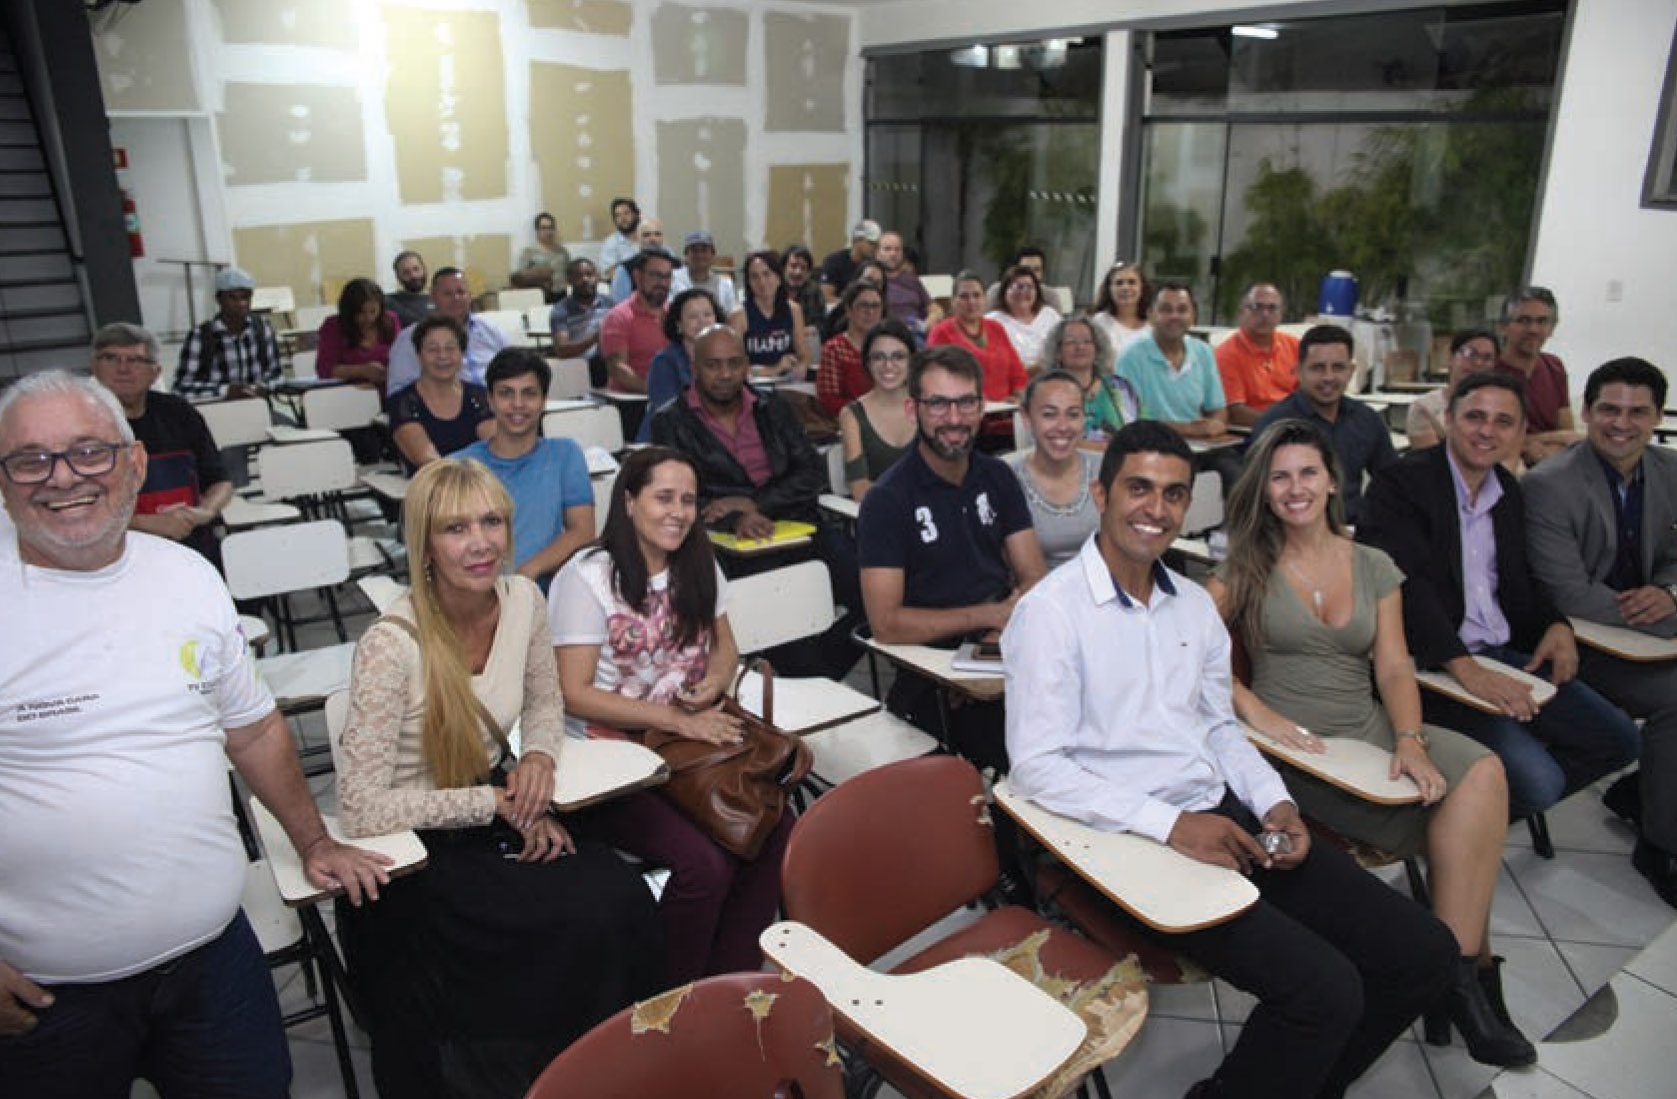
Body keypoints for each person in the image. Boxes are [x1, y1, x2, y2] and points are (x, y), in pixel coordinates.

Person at [1002, 420, 1456, 1099]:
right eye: (1138, 488)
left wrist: (1276, 800)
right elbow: (1037, 766)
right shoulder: (1051, 613)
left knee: (1425, 953)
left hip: (1226, 813)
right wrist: (1170, 825)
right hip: (1122, 839)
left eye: (1174, 494)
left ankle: (1295, 1085)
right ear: (1100, 493)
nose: (1155, 509)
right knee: (1323, 991)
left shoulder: (1189, 606)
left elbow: (1218, 726)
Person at [0, 371, 390, 1099]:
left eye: (89, 451)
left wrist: (314, 840)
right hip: (46, 999)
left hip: (214, 964)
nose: (63, 478)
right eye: (30, 459)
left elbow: (253, 729)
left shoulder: (187, 576)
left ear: (136, 461)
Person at [336, 457, 663, 1098]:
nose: (481, 542)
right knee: (564, 923)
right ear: (424, 544)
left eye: (492, 521)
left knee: (619, 898)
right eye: (455, 528)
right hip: (414, 848)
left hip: (494, 809)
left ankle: (608, 1072)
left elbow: (545, 703)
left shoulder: (523, 600)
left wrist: (538, 762)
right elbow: (360, 807)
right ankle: (533, 1077)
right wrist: (497, 803)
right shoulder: (390, 643)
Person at [1210, 419, 1533, 1067]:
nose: (1294, 487)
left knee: (1483, 773)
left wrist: (1410, 740)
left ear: (1333, 480)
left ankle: (1457, 975)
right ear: (1264, 489)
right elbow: (1187, 648)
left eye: (1307, 472)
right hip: (1296, 748)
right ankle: (1460, 986)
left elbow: (1391, 668)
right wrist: (1254, 707)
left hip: (1369, 726)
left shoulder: (1373, 563)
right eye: (1279, 475)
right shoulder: (1246, 563)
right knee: (1452, 817)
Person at [1358, 372, 1640, 826]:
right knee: (1539, 780)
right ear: (1449, 418)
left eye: (1503, 422)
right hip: (1430, 667)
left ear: (1520, 432)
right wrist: (1463, 666)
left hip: (1504, 656)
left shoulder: (1507, 492)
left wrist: (1556, 625)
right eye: (1475, 417)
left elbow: (1522, 581)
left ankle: (1469, 825)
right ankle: (1457, 835)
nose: (1487, 431)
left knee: (1620, 741)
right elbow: (1402, 587)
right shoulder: (1400, 483)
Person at [552, 447, 791, 983]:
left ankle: (728, 978)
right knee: (702, 864)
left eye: (688, 499)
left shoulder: (696, 559)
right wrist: (680, 721)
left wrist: (715, 680)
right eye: (663, 497)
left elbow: (726, 646)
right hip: (608, 760)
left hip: (686, 750)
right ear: (629, 501)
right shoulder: (588, 576)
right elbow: (573, 692)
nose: (678, 512)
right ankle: (673, 995)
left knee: (774, 826)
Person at [1525, 357, 1677, 909]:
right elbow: (1570, 596)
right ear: (1586, 411)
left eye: (1639, 411)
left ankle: (1647, 791)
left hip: (1648, 637)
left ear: (1658, 415)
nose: (1622, 423)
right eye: (1609, 409)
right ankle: (1662, 845)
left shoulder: (1670, 471)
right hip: (1579, 645)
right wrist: (1664, 614)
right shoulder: (1550, 485)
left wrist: (1671, 593)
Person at [858, 344, 1047, 773]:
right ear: (913, 409)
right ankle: (1010, 837)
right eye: (938, 404)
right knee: (1026, 757)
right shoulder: (887, 500)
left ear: (982, 407)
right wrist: (991, 617)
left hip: (999, 651)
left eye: (965, 402)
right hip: (927, 671)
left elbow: (1034, 574)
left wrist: (999, 634)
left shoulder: (997, 476)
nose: (955, 418)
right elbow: (886, 624)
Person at [650, 326, 859, 676]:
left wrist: (754, 504)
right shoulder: (670, 421)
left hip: (796, 523)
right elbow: (676, 498)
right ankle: (797, 680)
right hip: (728, 545)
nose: (726, 374)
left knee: (869, 591)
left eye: (734, 363)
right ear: (694, 366)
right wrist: (734, 519)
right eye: (713, 365)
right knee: (777, 610)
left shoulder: (772, 406)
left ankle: (814, 677)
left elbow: (810, 472)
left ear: (747, 365)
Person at [89, 322, 231, 566]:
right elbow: (84, 508)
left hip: (191, 543)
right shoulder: (81, 425)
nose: (123, 369)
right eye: (111, 358)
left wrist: (205, 512)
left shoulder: (179, 413)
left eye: (135, 360)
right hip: (120, 554)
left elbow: (220, 481)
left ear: (155, 373)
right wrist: (150, 523)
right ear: (94, 368)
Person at [456, 349, 594, 587]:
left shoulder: (565, 454)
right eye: (506, 393)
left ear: (544, 400)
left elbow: (582, 531)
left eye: (529, 394)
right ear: (490, 399)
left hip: (544, 593)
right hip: (476, 591)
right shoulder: (459, 466)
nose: (517, 404)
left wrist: (529, 571)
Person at [1251, 325, 1397, 526]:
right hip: (1291, 533)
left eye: (1338, 367)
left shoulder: (1367, 419)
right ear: (1298, 371)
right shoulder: (1275, 424)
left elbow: (1392, 483)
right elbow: (1256, 497)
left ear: (1351, 371)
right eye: (1318, 368)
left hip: (1355, 533)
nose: (1328, 377)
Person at [1006, 370, 1102, 570]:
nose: (1062, 426)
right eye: (1049, 414)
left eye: (1073, 414)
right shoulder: (1006, 478)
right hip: (1037, 593)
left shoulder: (1106, 470)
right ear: (1026, 418)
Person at [1115, 281, 1226, 440]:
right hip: (1150, 446)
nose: (1174, 316)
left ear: (1193, 316)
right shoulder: (1130, 358)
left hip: (1200, 445)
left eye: (1182, 310)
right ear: (1151, 315)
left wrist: (1215, 424)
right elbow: (1127, 421)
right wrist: (1186, 429)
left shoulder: (1204, 352)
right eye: (1166, 310)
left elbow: (1218, 409)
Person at [388, 314, 495, 474]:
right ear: (419, 356)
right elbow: (427, 460)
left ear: (462, 353)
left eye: (450, 348)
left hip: (482, 484)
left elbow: (494, 449)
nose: (442, 356)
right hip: (432, 489)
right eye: (432, 349)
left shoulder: (479, 395)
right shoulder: (402, 402)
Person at [385, 267, 508, 394]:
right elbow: (398, 391)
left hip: (498, 407)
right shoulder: (410, 338)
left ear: (470, 296)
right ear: (432, 297)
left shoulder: (492, 331)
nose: (456, 298)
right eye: (447, 294)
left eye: (461, 292)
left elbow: (514, 372)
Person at [1496, 286, 1581, 466]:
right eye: (1524, 320)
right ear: (1503, 327)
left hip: (1551, 465)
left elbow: (1569, 436)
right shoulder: (1489, 372)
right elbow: (1492, 440)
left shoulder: (1554, 367)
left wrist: (1539, 444)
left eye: (1542, 321)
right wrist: (1553, 439)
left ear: (1552, 328)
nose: (1533, 329)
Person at [172, 265, 283, 399]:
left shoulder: (263, 328)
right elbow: (180, 388)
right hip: (217, 410)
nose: (241, 303)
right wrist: (225, 391)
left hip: (257, 406)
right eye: (233, 297)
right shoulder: (200, 336)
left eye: (245, 297)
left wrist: (263, 388)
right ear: (219, 300)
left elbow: (277, 375)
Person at [837, 319, 917, 499]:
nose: (888, 365)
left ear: (911, 361)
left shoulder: (927, 407)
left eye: (898, 356)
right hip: (883, 515)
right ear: (867, 362)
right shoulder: (852, 415)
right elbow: (859, 487)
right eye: (879, 357)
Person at [926, 271, 1029, 406]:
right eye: (964, 296)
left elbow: (1018, 375)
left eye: (976, 295)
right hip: (963, 412)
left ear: (984, 299)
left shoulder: (996, 328)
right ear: (952, 301)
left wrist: (1020, 400)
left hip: (1006, 410)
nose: (971, 302)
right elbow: (935, 380)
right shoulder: (941, 333)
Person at [1039, 315, 1140, 439]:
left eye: (1087, 341)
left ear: (1097, 348)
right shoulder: (1046, 393)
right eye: (1071, 341)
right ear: (1057, 352)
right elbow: (1048, 441)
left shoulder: (1121, 387)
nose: (1080, 347)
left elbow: (1142, 431)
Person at [1216, 283, 1299, 428]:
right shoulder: (1226, 354)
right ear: (1241, 311)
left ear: (1281, 314)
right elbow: (1236, 412)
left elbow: (1311, 393)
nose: (1265, 314)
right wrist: (1285, 423)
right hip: (1256, 432)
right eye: (1257, 307)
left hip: (1297, 426)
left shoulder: (1295, 346)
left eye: (1272, 308)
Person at [644, 287, 722, 439]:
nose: (703, 322)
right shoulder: (664, 362)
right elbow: (669, 415)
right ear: (678, 324)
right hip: (671, 440)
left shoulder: (725, 357)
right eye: (693, 317)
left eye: (708, 314)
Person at [1406, 328, 1501, 452]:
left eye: (1487, 358)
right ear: (1450, 357)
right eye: (1470, 354)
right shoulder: (1425, 408)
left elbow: (1510, 455)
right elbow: (1431, 463)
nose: (1478, 363)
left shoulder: (1501, 406)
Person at [601, 247, 676, 394]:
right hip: (633, 401)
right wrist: (659, 391)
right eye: (655, 275)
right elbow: (618, 370)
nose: (662, 282)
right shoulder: (618, 317)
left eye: (667, 277)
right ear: (637, 276)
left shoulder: (675, 314)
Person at [728, 249, 809, 380]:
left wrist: (801, 366)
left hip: (786, 382)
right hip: (752, 385)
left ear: (778, 277)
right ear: (748, 282)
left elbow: (803, 354)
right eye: (754, 276)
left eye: (767, 274)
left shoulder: (794, 310)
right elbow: (734, 365)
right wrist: (775, 368)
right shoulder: (738, 315)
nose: (762, 282)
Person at [816, 280, 887, 416]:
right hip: (848, 421)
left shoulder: (888, 346)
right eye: (863, 306)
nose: (870, 312)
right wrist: (866, 412)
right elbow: (829, 400)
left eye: (876, 306)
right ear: (848, 310)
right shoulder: (834, 349)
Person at [316, 276, 398, 387]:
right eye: (361, 313)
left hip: (389, 389)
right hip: (350, 393)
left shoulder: (390, 320)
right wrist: (362, 370)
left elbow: (401, 357)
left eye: (373, 311)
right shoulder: (334, 326)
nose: (368, 318)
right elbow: (325, 370)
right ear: (349, 311)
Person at [547, 256, 615, 383]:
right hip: (579, 370)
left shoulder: (610, 304)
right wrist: (594, 339)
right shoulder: (561, 310)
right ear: (569, 281)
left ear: (597, 277)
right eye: (578, 276)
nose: (585, 279)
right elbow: (562, 349)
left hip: (609, 366)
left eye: (589, 274)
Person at [986, 263, 1063, 373]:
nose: (1023, 292)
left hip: (1049, 376)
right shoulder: (992, 320)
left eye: (1029, 287)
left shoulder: (1050, 315)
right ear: (1005, 292)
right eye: (1018, 287)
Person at [1088, 260, 1152, 360]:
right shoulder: (1100, 322)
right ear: (1109, 289)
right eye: (1119, 283)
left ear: (1142, 288)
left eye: (1132, 282)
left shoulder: (1155, 324)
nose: (1125, 287)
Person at [877, 230, 938, 330]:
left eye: (897, 249)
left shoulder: (912, 280)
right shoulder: (873, 280)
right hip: (886, 334)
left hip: (916, 333)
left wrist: (931, 319)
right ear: (877, 253)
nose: (893, 253)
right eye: (887, 249)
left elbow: (934, 308)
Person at [670, 230, 738, 315]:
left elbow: (732, 315)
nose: (700, 255)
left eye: (704, 250)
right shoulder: (671, 279)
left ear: (713, 256)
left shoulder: (725, 284)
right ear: (685, 255)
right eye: (695, 251)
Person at [819, 258, 887, 342]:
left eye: (877, 283)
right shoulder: (840, 312)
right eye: (868, 280)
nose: (871, 286)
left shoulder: (887, 318)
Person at [819, 218, 881, 304]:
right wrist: (853, 305)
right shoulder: (834, 262)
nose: (875, 248)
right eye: (871, 243)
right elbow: (826, 296)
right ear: (857, 241)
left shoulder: (875, 265)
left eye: (877, 244)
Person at [511, 211, 569, 299]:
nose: (548, 231)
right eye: (544, 228)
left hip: (562, 295)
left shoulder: (562, 252)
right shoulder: (528, 252)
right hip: (540, 296)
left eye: (551, 228)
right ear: (537, 231)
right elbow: (520, 278)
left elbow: (570, 273)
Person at [608, 217, 668, 302]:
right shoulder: (624, 269)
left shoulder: (674, 265)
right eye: (646, 235)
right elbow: (618, 306)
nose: (653, 239)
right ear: (638, 239)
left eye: (657, 234)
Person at [782, 244, 826, 333]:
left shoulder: (814, 292)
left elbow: (820, 326)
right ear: (783, 268)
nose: (798, 272)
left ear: (808, 273)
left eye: (803, 268)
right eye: (793, 266)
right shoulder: (772, 290)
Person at [596, 195, 641, 283]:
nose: (623, 218)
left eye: (626, 213)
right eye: (618, 216)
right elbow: (609, 273)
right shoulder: (611, 243)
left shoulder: (648, 237)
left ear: (636, 215)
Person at [389, 250, 434, 328]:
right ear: (398, 277)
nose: (413, 276)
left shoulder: (442, 299)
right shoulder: (390, 302)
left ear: (424, 269)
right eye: (406, 272)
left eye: (416, 269)